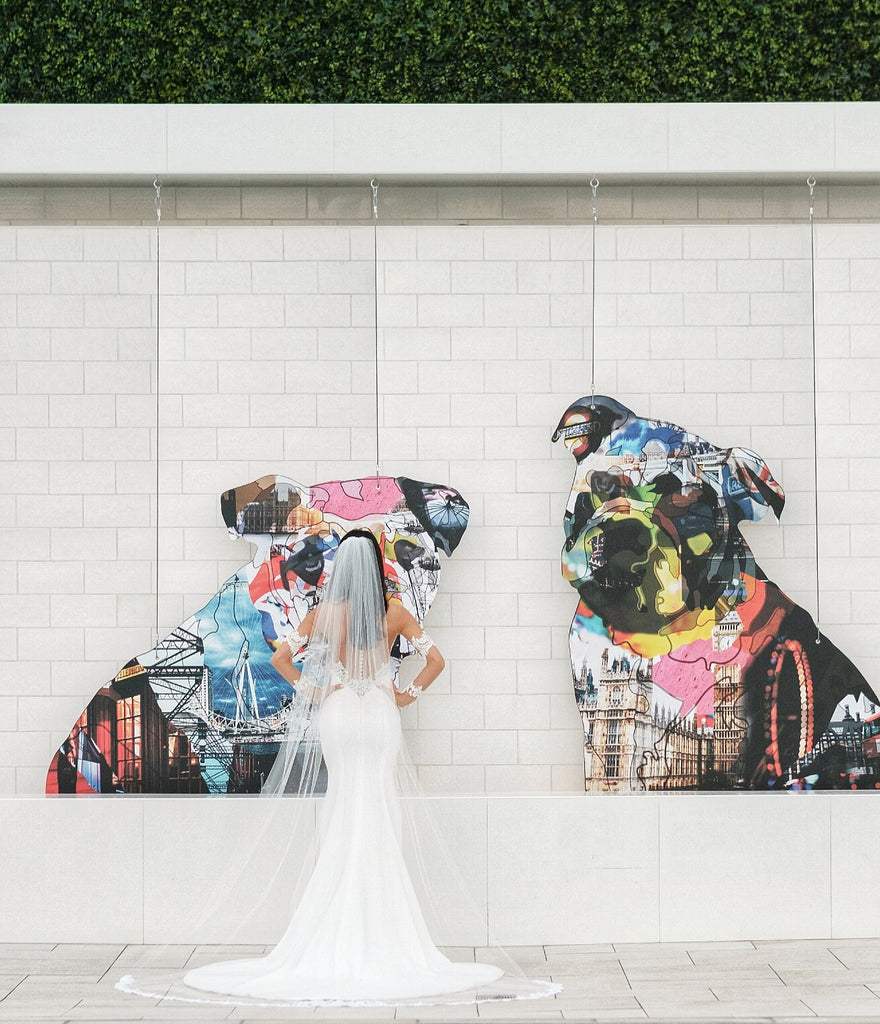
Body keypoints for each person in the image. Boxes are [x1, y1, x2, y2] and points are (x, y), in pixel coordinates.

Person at [178, 528, 507, 1003]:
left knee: (343, 805)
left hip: (338, 715)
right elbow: (435, 660)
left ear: (339, 569)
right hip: (376, 712)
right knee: (377, 807)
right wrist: (403, 695)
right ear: (376, 565)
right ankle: (383, 928)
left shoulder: (321, 614)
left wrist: (315, 690)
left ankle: (334, 921)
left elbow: (280, 656)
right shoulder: (394, 613)